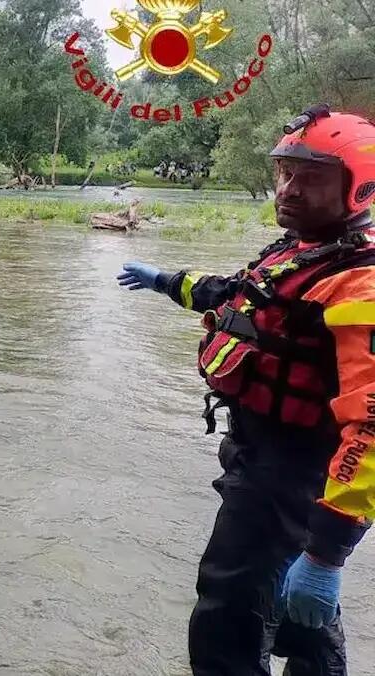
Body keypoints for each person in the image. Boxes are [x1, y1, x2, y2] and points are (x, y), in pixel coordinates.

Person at [116, 104, 375, 675]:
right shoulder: (302, 252)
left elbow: (371, 425)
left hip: (293, 471)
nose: (288, 190)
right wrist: (166, 282)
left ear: (360, 189)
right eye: (285, 173)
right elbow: (237, 299)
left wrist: (329, 553)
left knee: (228, 611)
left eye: (311, 179)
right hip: (261, 453)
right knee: (295, 616)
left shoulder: (360, 281)